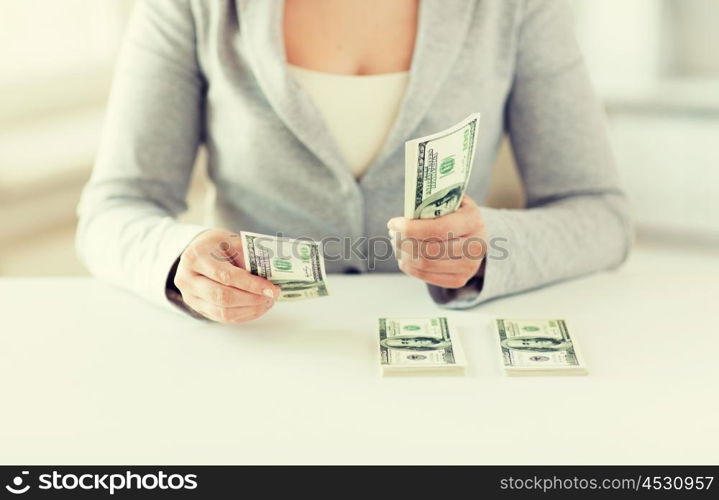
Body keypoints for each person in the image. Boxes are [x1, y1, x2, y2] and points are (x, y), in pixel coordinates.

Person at [76, 0, 631, 323]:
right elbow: (114, 209)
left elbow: (601, 214)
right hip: (262, 349)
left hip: (445, 365)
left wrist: (490, 250)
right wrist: (179, 261)